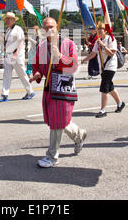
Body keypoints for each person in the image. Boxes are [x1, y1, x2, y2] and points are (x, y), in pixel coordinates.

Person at [30, 17, 87, 168]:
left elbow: (73, 66)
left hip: (63, 86)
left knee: (57, 121)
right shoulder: (42, 46)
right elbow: (38, 66)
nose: (49, 29)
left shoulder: (68, 43)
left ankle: (52, 156)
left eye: (51, 26)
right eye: (46, 27)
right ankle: (78, 135)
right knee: (56, 120)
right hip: (49, 87)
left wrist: (60, 56)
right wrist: (37, 74)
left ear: (57, 26)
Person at [81, 22, 125, 118]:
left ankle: (103, 110)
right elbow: (93, 53)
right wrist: (84, 60)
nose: (99, 31)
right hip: (103, 67)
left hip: (110, 66)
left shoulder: (111, 39)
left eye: (101, 29)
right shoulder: (98, 41)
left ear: (105, 31)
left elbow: (112, 53)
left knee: (104, 87)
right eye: (98, 29)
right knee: (110, 87)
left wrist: (104, 46)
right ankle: (120, 103)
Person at [0, 12, 35, 102]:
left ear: (14, 20)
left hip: (16, 55)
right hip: (8, 55)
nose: (7, 21)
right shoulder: (8, 30)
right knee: (6, 75)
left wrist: (16, 53)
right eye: (6, 19)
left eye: (9, 19)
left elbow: (21, 42)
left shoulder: (18, 29)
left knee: (22, 74)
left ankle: (30, 91)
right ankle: (4, 94)